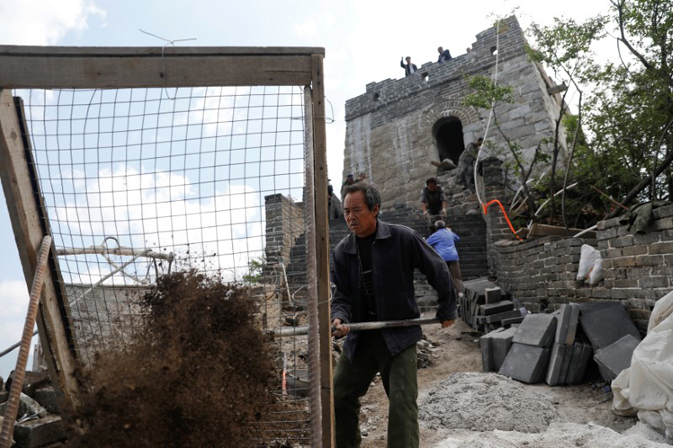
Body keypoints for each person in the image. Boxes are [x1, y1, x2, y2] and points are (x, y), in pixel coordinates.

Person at [331, 182, 456, 448]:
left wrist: (447, 307)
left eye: (357, 210)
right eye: (346, 211)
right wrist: (339, 318)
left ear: (375, 209)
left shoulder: (402, 237)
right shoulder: (342, 251)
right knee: (339, 394)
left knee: (401, 402)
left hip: (398, 335)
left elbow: (437, 268)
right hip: (362, 337)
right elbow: (341, 295)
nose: (350, 217)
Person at [426, 220, 463, 294]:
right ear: (445, 226)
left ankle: (445, 294)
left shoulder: (435, 235)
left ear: (436, 228)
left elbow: (426, 243)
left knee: (442, 276)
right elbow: (458, 239)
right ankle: (460, 294)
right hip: (453, 257)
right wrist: (450, 231)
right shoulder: (450, 233)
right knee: (456, 277)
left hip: (442, 258)